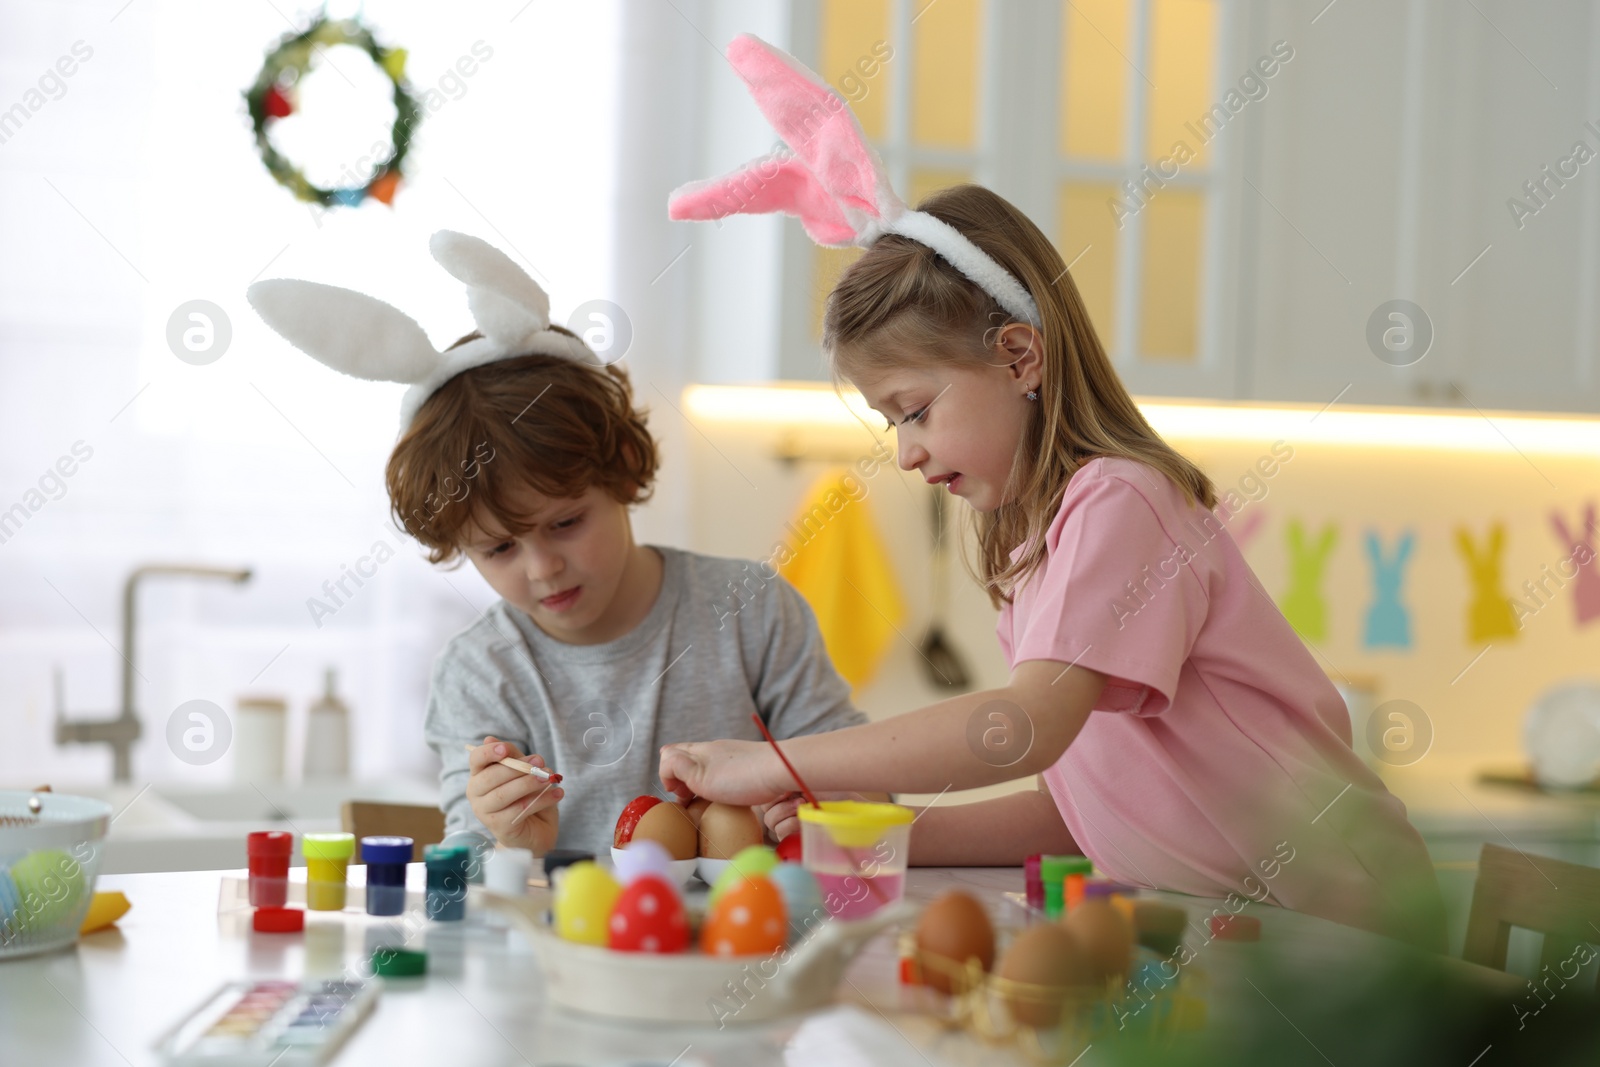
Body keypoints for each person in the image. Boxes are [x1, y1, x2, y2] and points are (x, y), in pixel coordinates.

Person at [658, 34, 1447, 951]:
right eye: (890, 425)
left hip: (1353, 934)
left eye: (913, 410)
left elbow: (1022, 727)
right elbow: (1080, 810)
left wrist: (776, 762)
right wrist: (873, 836)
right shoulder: (1042, 552)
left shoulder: (1123, 501)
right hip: (1247, 933)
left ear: (1019, 356)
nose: (905, 454)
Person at [248, 230, 870, 856]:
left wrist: (820, 805)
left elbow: (869, 793)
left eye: (566, 523)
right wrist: (509, 841)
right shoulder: (481, 673)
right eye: (499, 550)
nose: (543, 567)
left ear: (623, 470)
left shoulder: (751, 611)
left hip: (745, 943)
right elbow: (465, 877)